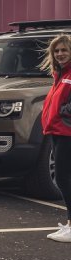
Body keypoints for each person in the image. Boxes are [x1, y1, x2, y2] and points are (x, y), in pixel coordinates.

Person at [40, 34, 71, 242]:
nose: (60, 54)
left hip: (67, 132)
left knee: (63, 178)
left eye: (64, 50)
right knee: (64, 178)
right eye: (57, 50)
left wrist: (64, 112)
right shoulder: (59, 73)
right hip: (57, 132)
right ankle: (69, 223)